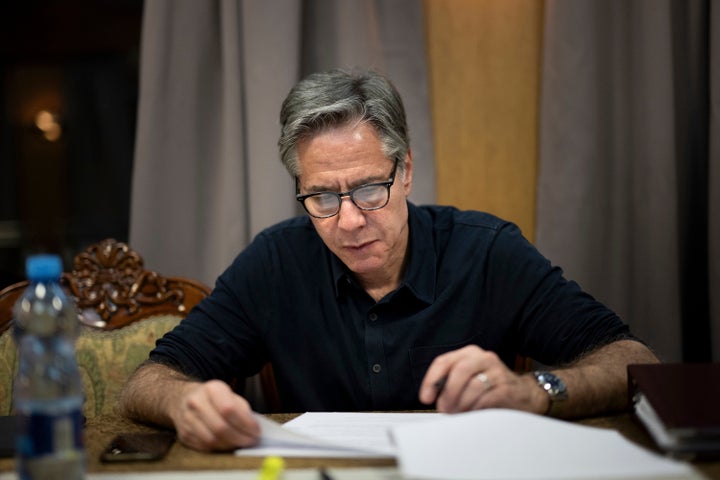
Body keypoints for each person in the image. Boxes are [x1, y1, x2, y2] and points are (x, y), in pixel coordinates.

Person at [120, 68, 659, 452]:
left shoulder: (487, 251)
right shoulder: (275, 261)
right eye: (322, 198)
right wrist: (184, 403)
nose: (349, 220)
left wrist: (535, 392)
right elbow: (149, 380)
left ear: (405, 172)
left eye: (369, 189)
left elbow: (633, 361)